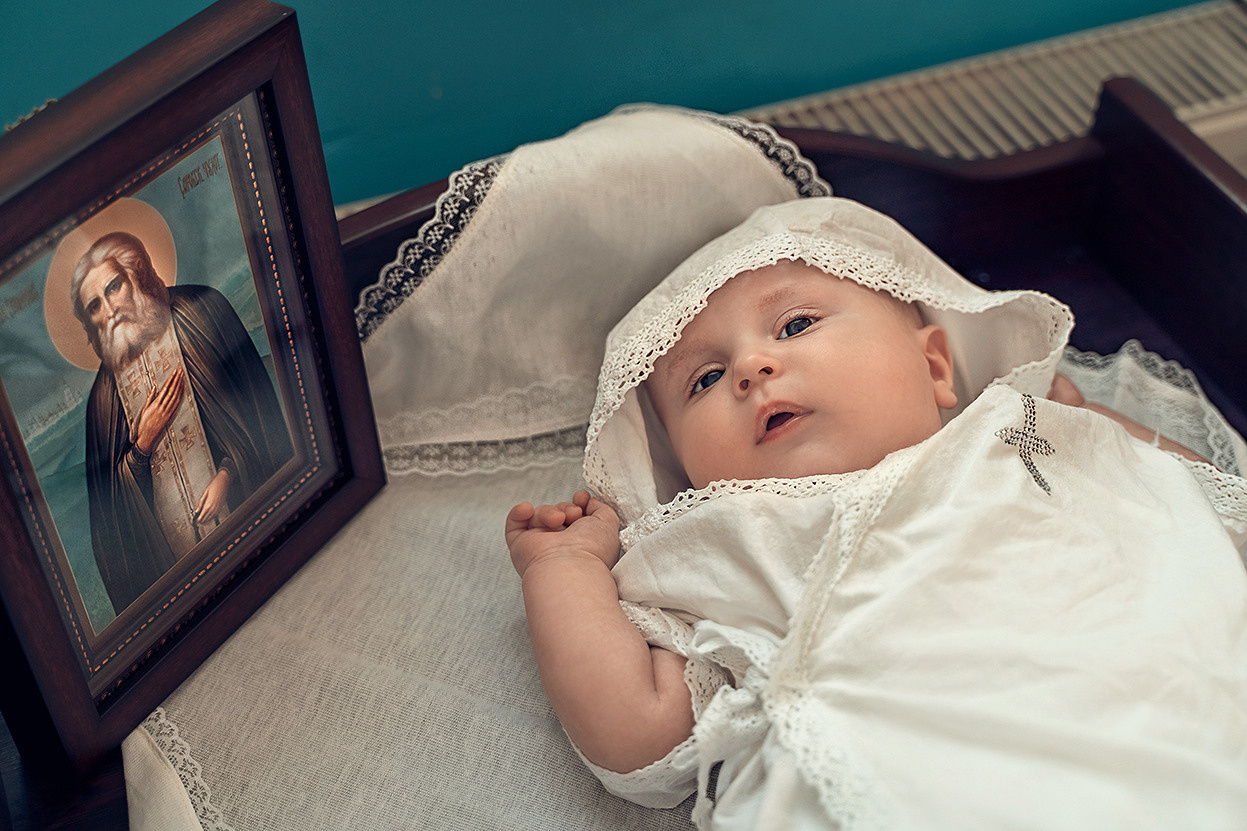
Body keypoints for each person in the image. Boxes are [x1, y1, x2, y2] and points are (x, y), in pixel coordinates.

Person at [505, 198, 1247, 829]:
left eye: (793, 325)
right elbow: (639, 744)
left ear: (932, 366)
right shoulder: (728, 538)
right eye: (702, 377)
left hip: (1156, 680)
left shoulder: (1012, 424)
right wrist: (566, 571)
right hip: (895, 768)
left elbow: (1191, 501)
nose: (749, 369)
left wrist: (1095, 429)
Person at [73, 231, 292, 613]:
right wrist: (141, 445)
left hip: (259, 544)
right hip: (183, 585)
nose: (108, 311)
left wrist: (229, 472)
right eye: (94, 305)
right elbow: (112, 530)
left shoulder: (202, 312)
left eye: (113, 288)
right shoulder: (102, 403)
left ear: (137, 276)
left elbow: (258, 411)